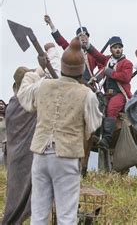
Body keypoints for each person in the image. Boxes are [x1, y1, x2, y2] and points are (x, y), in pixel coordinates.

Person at [17, 37, 102, 224]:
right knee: (66, 217)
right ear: (81, 71)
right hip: (67, 156)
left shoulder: (43, 85)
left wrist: (37, 71)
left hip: (40, 154)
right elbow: (94, 123)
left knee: (39, 215)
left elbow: (23, 95)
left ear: (62, 66)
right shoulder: (86, 94)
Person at [2, 67, 37, 224]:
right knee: (18, 194)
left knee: (19, 192)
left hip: (19, 156)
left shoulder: (14, 104)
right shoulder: (19, 104)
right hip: (20, 156)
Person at [86, 36, 133, 149]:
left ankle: (107, 138)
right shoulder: (107, 60)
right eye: (115, 47)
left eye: (119, 47)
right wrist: (87, 45)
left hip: (120, 94)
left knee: (112, 109)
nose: (118, 50)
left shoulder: (127, 63)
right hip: (107, 94)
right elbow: (97, 55)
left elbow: (126, 77)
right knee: (96, 105)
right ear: (111, 49)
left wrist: (109, 72)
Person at [44, 15, 103, 82]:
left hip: (89, 85)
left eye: (85, 35)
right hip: (74, 83)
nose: (83, 38)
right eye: (80, 35)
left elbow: (103, 66)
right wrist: (51, 24)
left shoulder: (94, 54)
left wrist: (95, 78)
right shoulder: (73, 51)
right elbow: (61, 41)